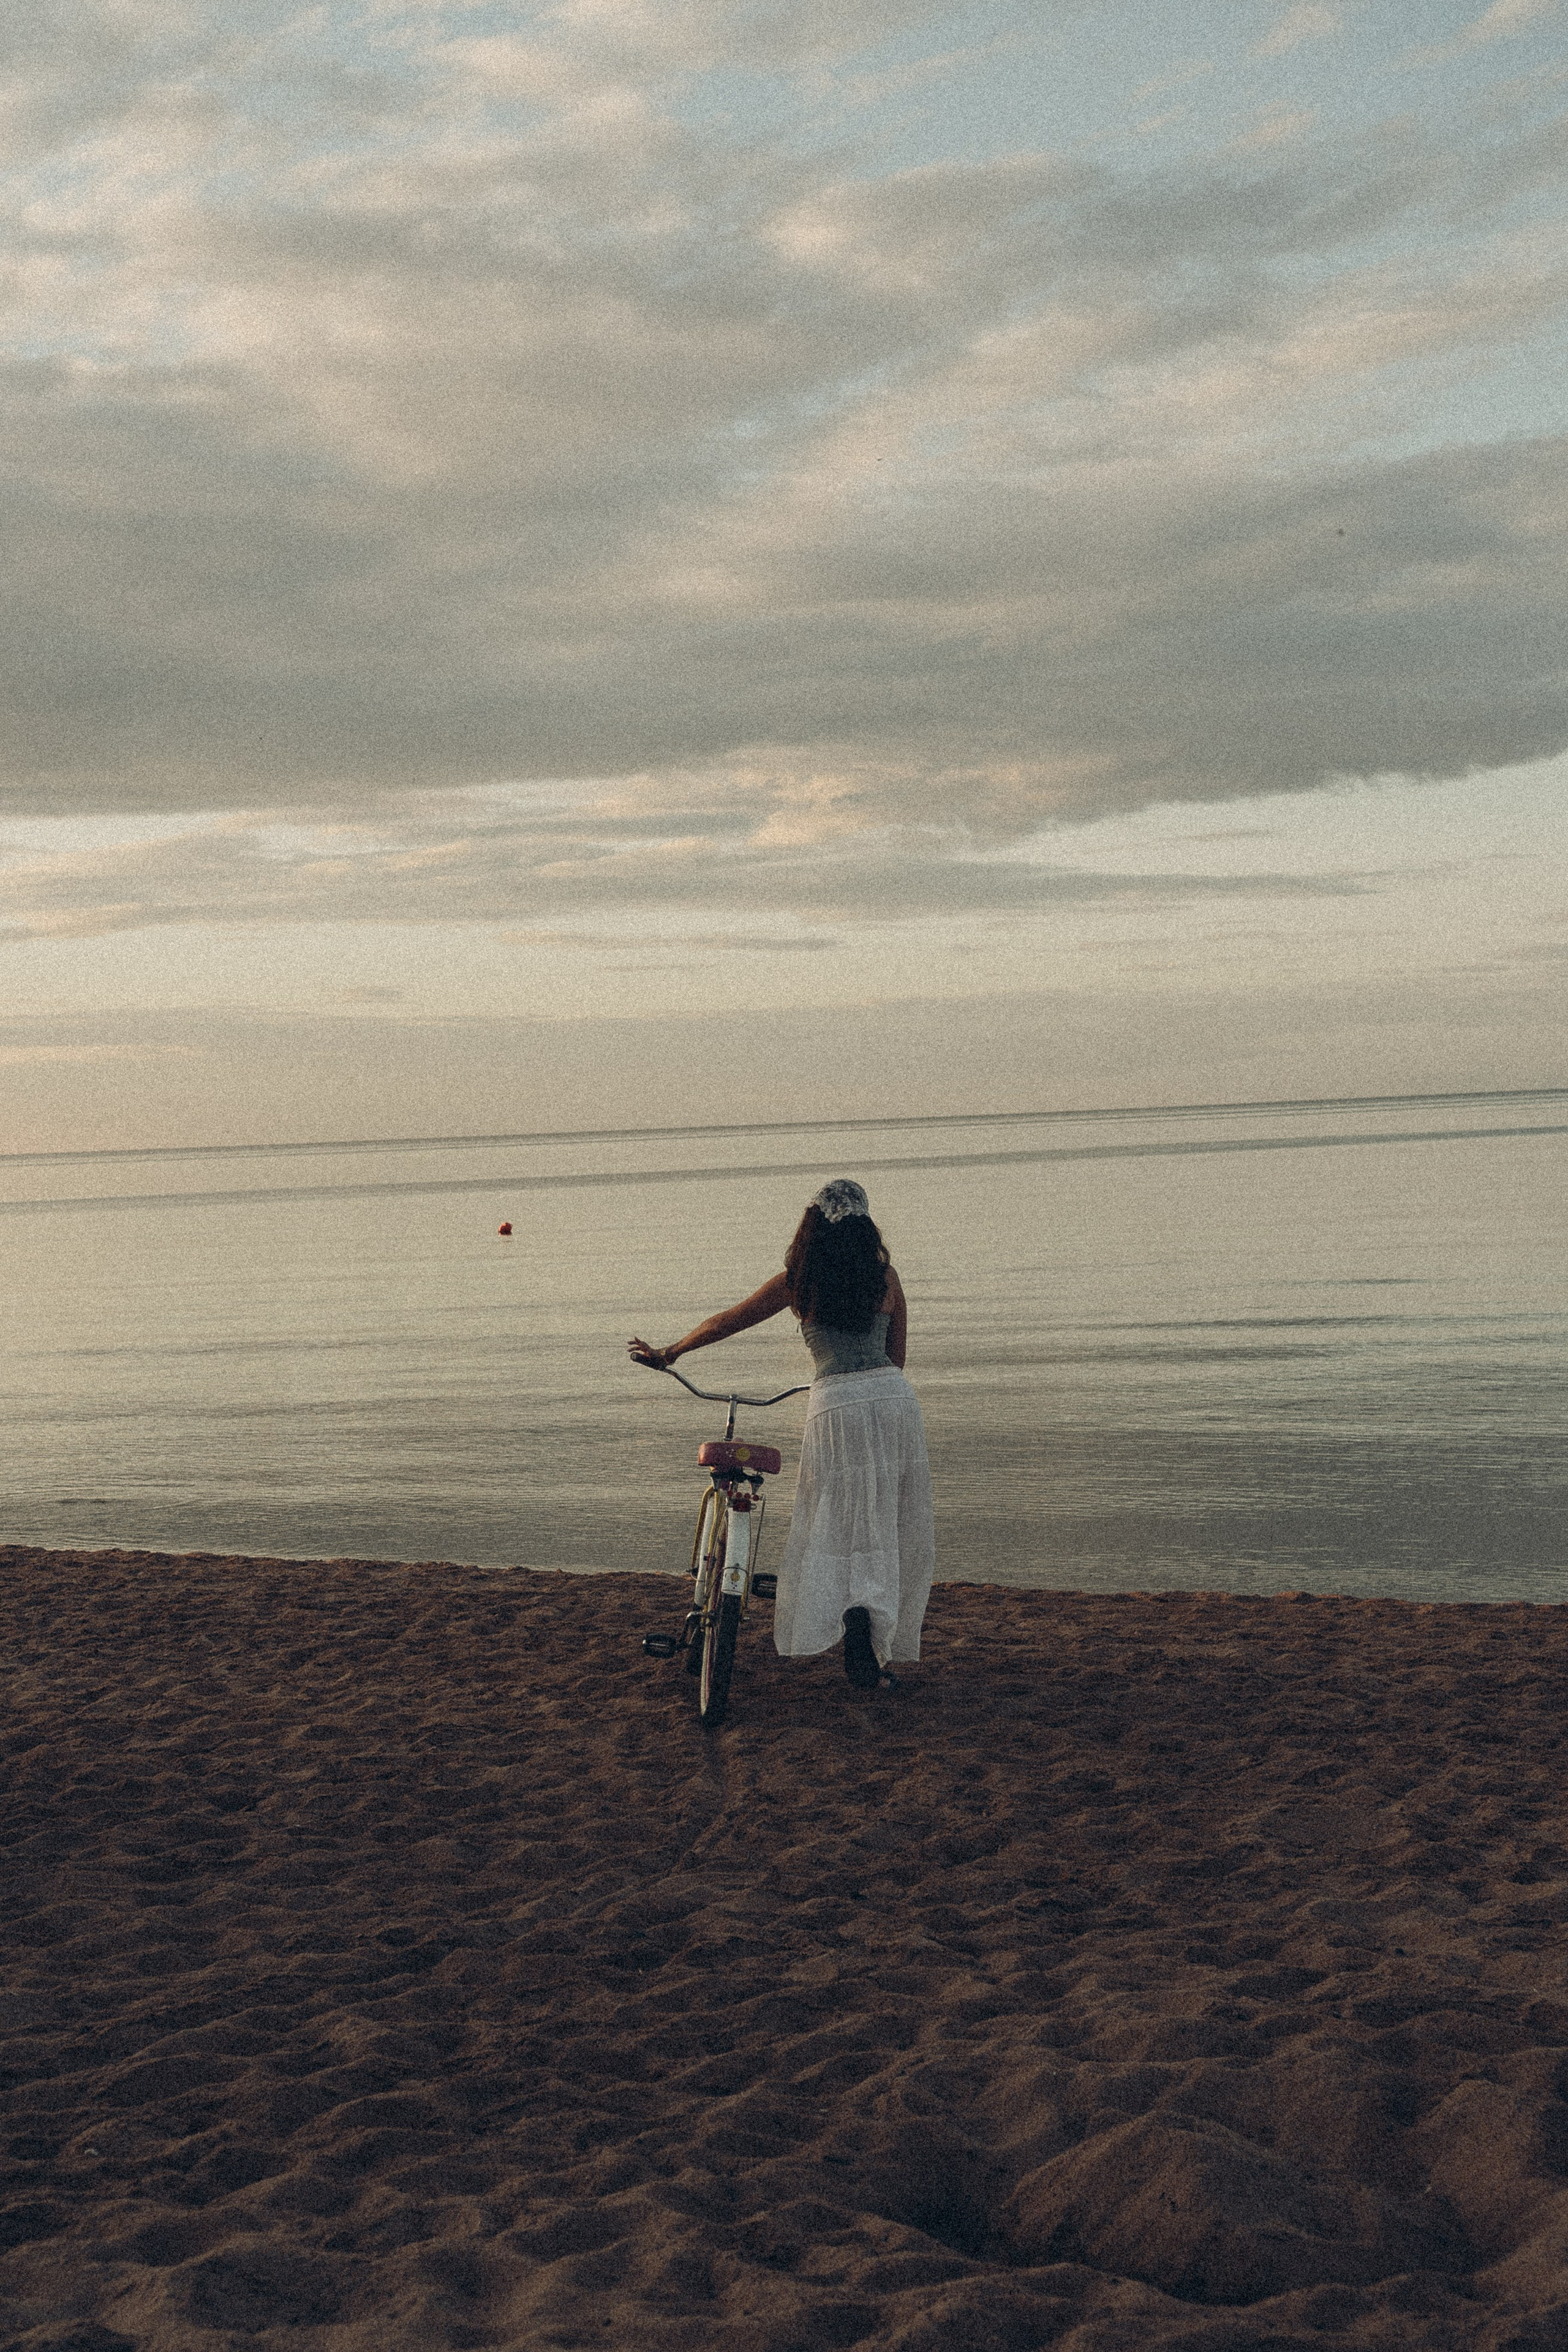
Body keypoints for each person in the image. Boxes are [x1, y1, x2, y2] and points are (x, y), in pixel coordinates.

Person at [627, 1178, 935, 1689]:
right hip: (893, 1402)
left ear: (811, 1225)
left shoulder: (800, 1280)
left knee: (834, 1518)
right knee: (885, 1519)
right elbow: (897, 1358)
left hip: (835, 1406)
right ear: (864, 1225)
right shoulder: (887, 1278)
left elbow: (729, 1320)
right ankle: (870, 1633)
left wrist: (671, 1352)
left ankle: (850, 1616)